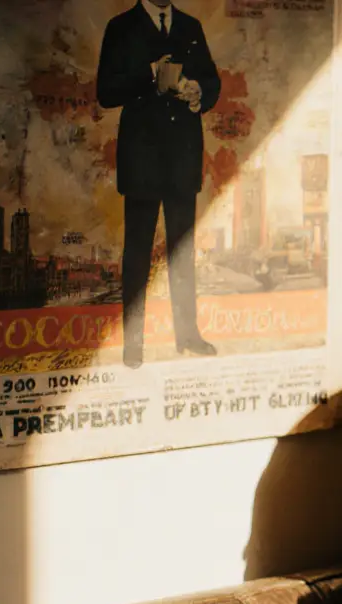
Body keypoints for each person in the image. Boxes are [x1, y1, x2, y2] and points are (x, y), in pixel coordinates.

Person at [97, 0, 221, 369]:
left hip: (182, 159)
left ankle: (188, 337)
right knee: (137, 255)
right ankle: (132, 345)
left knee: (182, 253)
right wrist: (148, 76)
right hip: (142, 162)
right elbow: (105, 92)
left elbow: (212, 80)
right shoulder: (120, 27)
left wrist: (202, 93)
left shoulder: (191, 26)